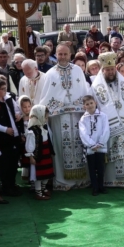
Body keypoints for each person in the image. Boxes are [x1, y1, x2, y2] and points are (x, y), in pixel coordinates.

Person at [37, 43, 93, 190]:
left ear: (70, 55)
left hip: (77, 116)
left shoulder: (78, 71)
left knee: (80, 144)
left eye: (65, 54)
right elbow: (46, 97)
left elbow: (84, 91)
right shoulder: (50, 74)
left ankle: (81, 179)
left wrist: (86, 108)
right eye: (60, 54)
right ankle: (62, 181)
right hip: (58, 118)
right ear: (56, 55)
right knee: (60, 147)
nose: (62, 57)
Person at [90, 52, 124, 186]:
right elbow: (92, 106)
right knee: (110, 153)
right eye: (108, 70)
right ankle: (110, 179)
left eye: (112, 69)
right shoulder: (96, 86)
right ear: (103, 70)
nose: (111, 72)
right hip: (107, 125)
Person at [0, 76, 24, 198]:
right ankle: (6, 186)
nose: (5, 91)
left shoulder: (9, 98)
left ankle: (12, 183)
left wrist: (18, 115)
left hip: (14, 134)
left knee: (14, 161)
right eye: (3, 89)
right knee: (5, 162)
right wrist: (5, 129)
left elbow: (17, 109)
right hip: (3, 137)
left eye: (6, 88)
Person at [23, 104, 55, 200]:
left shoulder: (43, 127)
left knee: (47, 173)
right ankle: (38, 192)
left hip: (45, 154)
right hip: (38, 157)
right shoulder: (32, 131)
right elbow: (29, 146)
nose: (46, 119)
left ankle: (43, 188)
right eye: (45, 117)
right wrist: (31, 157)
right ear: (39, 116)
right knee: (39, 175)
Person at [78, 95, 109, 195]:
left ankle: (101, 186)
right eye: (87, 104)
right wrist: (91, 145)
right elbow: (83, 134)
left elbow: (106, 130)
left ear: (95, 103)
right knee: (92, 169)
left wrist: (100, 143)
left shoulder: (103, 116)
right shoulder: (83, 119)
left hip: (100, 147)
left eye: (91, 103)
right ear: (84, 106)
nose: (90, 105)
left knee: (100, 168)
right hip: (90, 148)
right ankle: (95, 187)